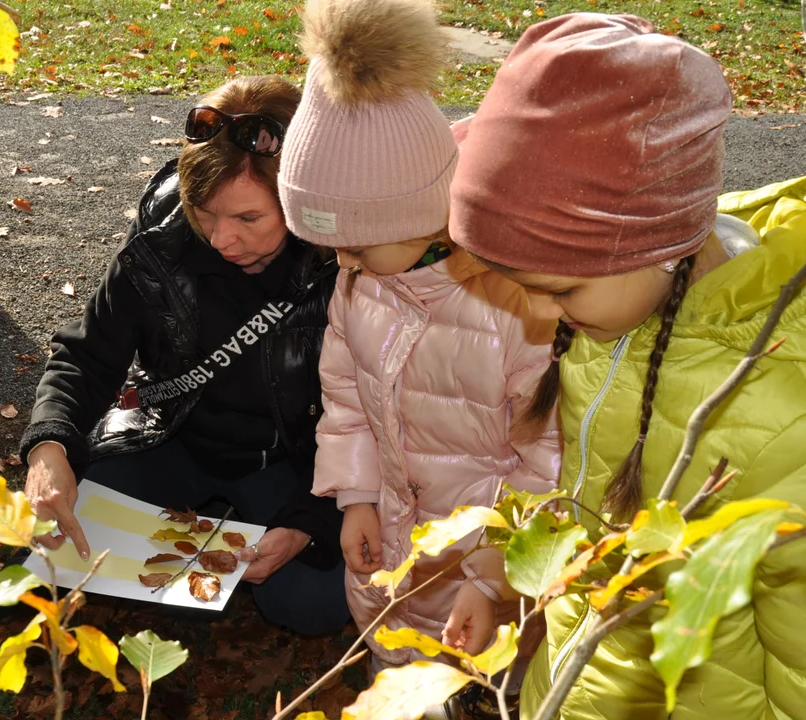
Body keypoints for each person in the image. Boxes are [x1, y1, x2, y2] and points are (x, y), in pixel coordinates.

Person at [448, 13, 806, 720]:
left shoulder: (774, 413)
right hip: (583, 679)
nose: (546, 315)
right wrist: (502, 578)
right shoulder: (620, 323)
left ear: (657, 241)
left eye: (561, 290)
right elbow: (591, 499)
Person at [276, 0, 561, 681]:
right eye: (329, 246)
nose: (340, 264)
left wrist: (494, 580)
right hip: (398, 553)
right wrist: (357, 498)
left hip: (485, 571)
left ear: (424, 213)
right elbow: (346, 400)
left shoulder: (516, 306)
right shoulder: (362, 285)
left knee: (488, 680)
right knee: (402, 670)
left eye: (356, 244)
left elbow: (546, 464)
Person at [19, 75, 348, 636]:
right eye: (204, 211)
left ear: (305, 201)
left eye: (249, 219)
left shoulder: (350, 259)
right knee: (42, 560)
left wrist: (307, 521)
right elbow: (86, 356)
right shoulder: (163, 237)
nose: (222, 239)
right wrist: (49, 448)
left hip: (298, 463)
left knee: (311, 604)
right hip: (169, 436)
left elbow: (373, 418)